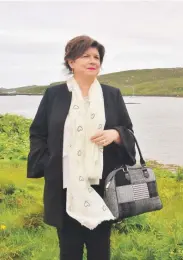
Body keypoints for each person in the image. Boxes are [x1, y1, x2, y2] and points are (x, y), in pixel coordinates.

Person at [27, 35, 136, 260]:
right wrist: (48, 163)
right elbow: (38, 133)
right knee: (69, 251)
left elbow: (128, 130)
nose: (92, 60)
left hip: (102, 185)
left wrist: (115, 134)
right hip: (65, 184)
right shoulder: (54, 95)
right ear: (71, 62)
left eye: (96, 57)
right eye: (85, 55)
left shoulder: (111, 94)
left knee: (100, 251)